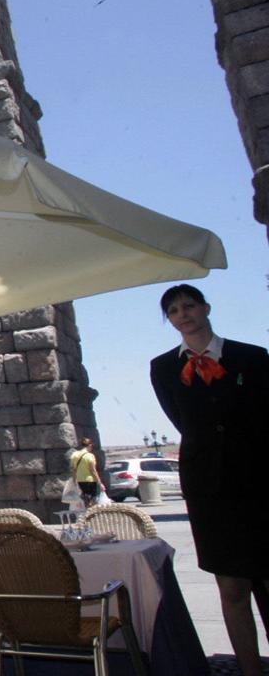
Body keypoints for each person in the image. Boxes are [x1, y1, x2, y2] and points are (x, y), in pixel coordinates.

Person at [150, 283, 269, 676]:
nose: (183, 314)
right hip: (209, 492)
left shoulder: (252, 358)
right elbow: (182, 422)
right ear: (170, 320)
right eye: (173, 310)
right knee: (231, 587)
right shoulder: (163, 367)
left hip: (258, 485)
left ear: (205, 308)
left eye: (189, 305)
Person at [69, 437, 105, 506]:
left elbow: (74, 470)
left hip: (80, 481)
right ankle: (91, 513)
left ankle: (86, 512)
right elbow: (93, 471)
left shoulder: (74, 455)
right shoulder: (90, 456)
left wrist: (74, 481)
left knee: (85, 499)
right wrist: (100, 483)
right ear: (90, 445)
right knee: (93, 500)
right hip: (90, 481)